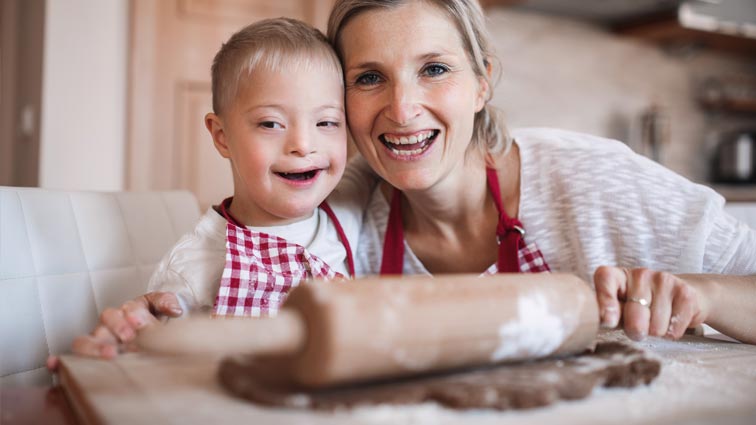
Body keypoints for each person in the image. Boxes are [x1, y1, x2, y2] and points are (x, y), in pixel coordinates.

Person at [325, 0, 756, 344]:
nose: (402, 109)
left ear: (482, 83)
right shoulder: (344, 225)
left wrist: (705, 295)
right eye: (368, 78)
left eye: (434, 69)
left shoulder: (595, 180)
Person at [52, 17, 372, 364]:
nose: (303, 144)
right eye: (270, 123)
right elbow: (156, 366)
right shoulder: (193, 266)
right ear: (222, 136)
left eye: (326, 122)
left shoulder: (350, 215)